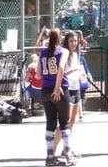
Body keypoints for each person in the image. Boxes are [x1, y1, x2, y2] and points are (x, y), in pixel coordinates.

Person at [37, 28, 77, 166]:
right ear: (60, 39)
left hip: (45, 90)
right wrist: (57, 86)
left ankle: (50, 156)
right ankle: (69, 154)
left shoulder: (42, 52)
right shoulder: (63, 51)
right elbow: (60, 68)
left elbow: (39, 75)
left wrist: (50, 80)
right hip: (59, 90)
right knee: (65, 123)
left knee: (50, 124)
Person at [54, 31, 82, 158]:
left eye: (76, 41)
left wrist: (82, 74)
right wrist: (74, 70)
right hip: (67, 89)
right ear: (66, 42)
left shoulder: (76, 54)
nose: (74, 43)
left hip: (76, 88)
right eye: (71, 41)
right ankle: (53, 149)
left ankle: (66, 148)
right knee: (64, 121)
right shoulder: (63, 54)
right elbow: (61, 73)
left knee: (73, 121)